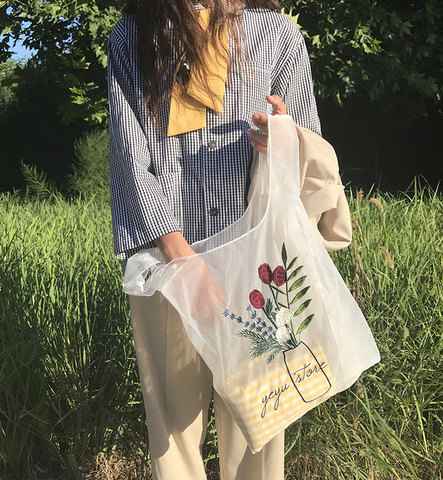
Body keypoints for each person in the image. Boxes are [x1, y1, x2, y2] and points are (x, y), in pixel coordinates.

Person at [108, 1, 321, 478]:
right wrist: (182, 261)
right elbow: (128, 153)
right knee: (173, 433)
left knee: (258, 427)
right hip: (167, 264)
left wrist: (284, 137)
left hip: (259, 264)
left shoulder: (277, 35)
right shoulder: (135, 35)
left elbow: (309, 143)